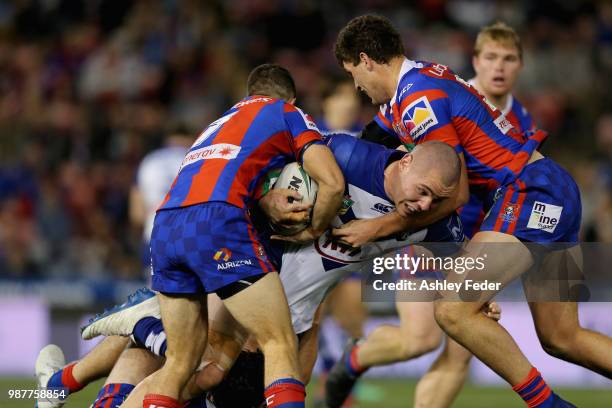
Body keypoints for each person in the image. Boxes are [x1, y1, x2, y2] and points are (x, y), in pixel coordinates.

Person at [329, 13, 612, 408]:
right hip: (550, 190)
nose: (355, 86)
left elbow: (454, 192)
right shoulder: (406, 94)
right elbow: (366, 146)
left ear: (366, 60)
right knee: (562, 338)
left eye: (352, 74)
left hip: (529, 193)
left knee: (451, 310)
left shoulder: (417, 100)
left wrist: (377, 227)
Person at [128, 63, 345, 408]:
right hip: (217, 221)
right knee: (279, 341)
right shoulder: (287, 112)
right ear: (291, 98)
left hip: (165, 227)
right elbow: (333, 182)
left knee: (181, 363)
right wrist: (314, 228)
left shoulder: (218, 124)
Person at [415, 22, 541, 408]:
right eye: (491, 58)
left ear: (521, 65)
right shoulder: (451, 101)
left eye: (508, 59)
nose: (499, 67)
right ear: (476, 61)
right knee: (416, 340)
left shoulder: (520, 124)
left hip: (481, 242)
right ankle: (348, 368)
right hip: (435, 234)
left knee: (458, 349)